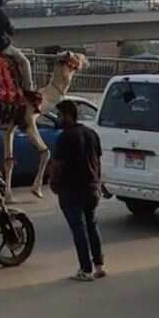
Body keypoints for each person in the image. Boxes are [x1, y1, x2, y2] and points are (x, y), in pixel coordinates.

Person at [50, 99, 106, 282]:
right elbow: (97, 162)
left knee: (78, 229)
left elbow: (58, 165)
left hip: (71, 190)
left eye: (59, 115)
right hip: (91, 188)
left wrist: (54, 183)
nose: (58, 119)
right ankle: (99, 266)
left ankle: (85, 269)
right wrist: (99, 183)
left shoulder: (64, 137)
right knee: (91, 225)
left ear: (68, 115)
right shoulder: (92, 134)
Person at [0, 0, 35, 93]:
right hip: (1, 47)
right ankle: (29, 88)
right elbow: (11, 32)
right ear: (2, 4)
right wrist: (12, 27)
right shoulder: (2, 15)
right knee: (25, 61)